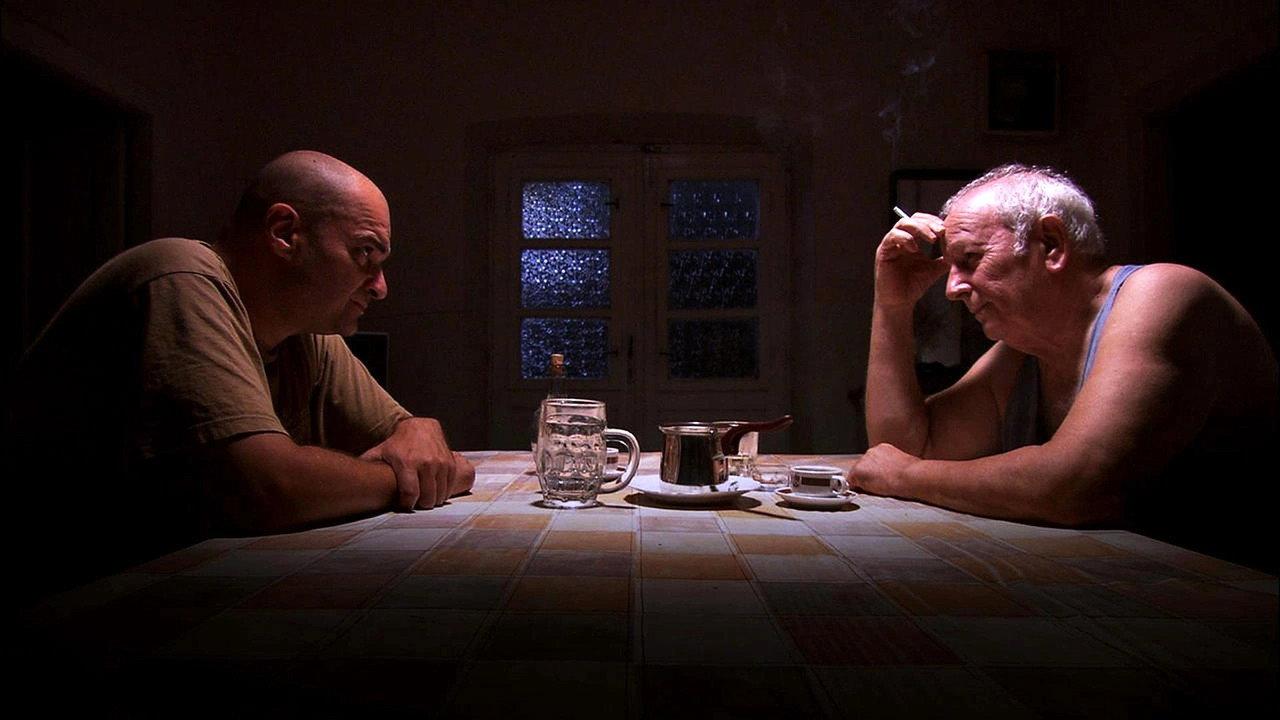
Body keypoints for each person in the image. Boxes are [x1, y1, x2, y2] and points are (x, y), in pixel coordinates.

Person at [6, 150, 475, 599]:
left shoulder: (306, 334)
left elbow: (425, 453)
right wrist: (399, 480)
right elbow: (266, 488)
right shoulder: (180, 276)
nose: (380, 287)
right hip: (53, 603)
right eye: (364, 253)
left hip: (172, 591)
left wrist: (420, 427)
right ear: (285, 232)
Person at [856, 163, 1277, 571]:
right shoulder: (1023, 350)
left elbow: (1076, 487)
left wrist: (907, 476)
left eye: (970, 258)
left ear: (1052, 244)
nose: (952, 289)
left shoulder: (1165, 293)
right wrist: (894, 304)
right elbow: (898, 450)